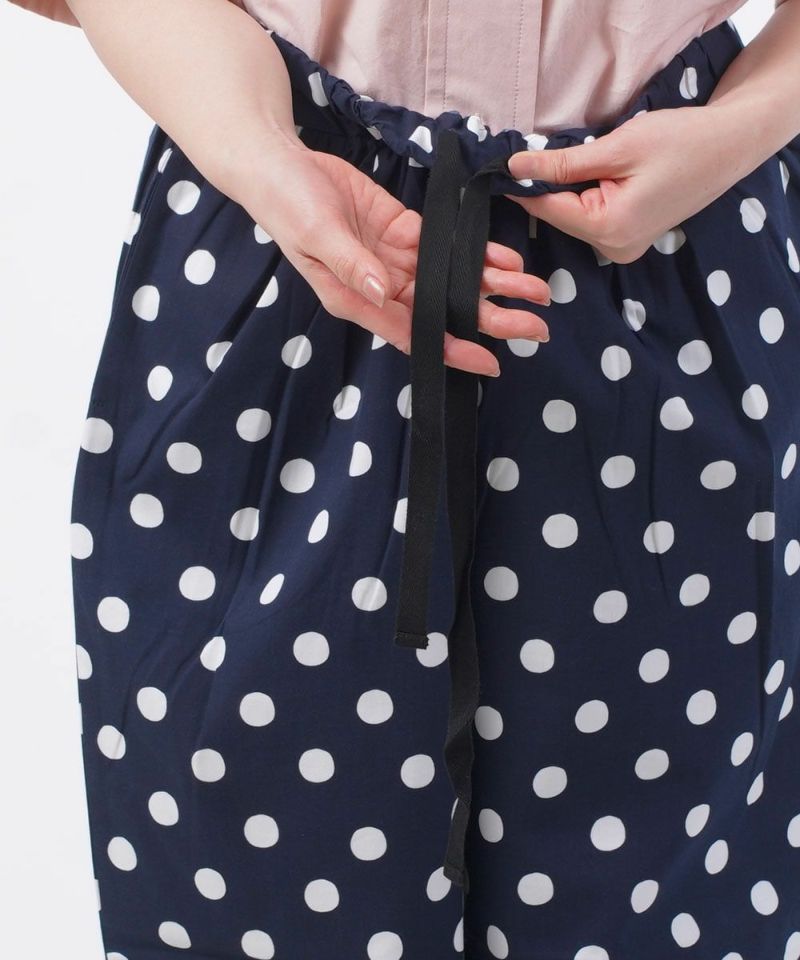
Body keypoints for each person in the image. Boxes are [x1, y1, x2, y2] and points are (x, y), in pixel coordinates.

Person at [10, 0, 800, 957]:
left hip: (671, 249)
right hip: (290, 247)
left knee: (658, 895)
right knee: (253, 877)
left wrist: (749, 119)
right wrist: (256, 148)